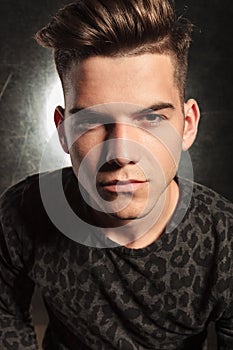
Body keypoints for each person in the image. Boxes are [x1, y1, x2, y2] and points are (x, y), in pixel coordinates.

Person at [0, 0, 232, 349]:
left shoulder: (224, 241)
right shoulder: (23, 212)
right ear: (63, 132)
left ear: (187, 126)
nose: (121, 153)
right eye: (92, 121)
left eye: (152, 118)